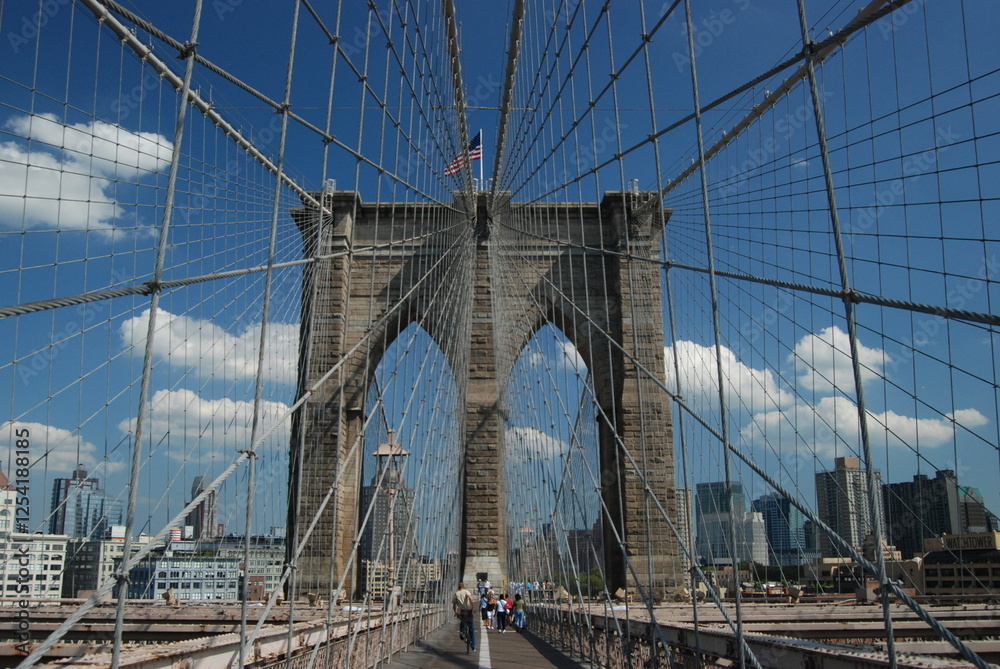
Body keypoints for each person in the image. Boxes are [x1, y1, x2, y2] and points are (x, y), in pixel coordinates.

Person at [453, 581, 476, 651]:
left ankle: (462, 632)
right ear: (464, 586)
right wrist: (472, 607)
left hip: (461, 611)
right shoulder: (466, 592)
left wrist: (455, 612)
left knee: (462, 621)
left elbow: (454, 604)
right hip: (468, 611)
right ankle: (473, 645)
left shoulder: (456, 593)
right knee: (471, 628)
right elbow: (471, 598)